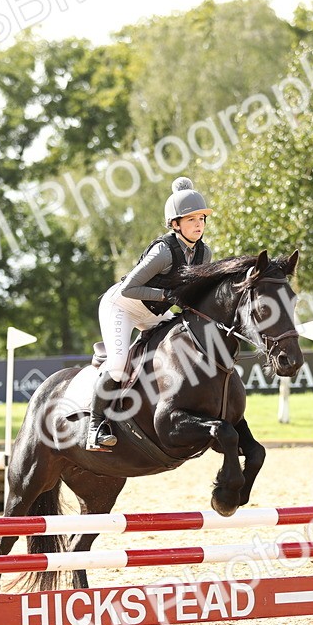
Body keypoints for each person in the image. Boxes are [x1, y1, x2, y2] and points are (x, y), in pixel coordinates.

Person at [85, 176, 214, 451]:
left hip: (155, 313)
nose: (199, 224)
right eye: (191, 219)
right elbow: (129, 288)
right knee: (118, 365)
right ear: (175, 224)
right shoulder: (163, 252)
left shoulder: (204, 254)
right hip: (122, 306)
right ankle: (94, 427)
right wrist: (167, 296)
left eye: (201, 219)